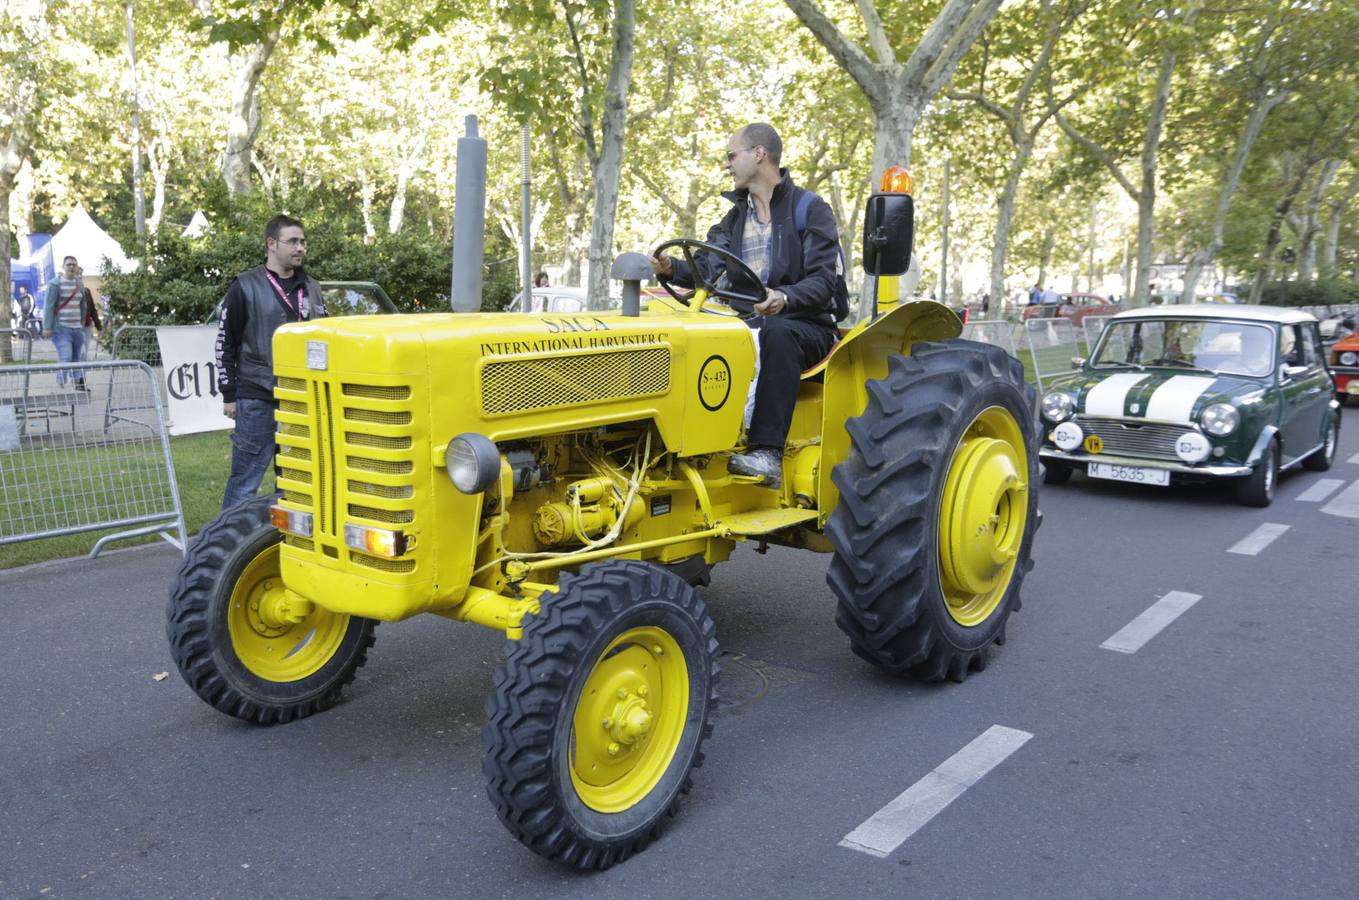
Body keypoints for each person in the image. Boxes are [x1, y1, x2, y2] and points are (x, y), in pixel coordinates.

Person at [650, 122, 839, 487]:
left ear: (758, 154)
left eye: (731, 155)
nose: (727, 164)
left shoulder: (809, 209)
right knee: (690, 334)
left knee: (778, 332)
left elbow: (822, 282)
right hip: (751, 324)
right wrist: (670, 267)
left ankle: (766, 452)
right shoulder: (735, 217)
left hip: (806, 326)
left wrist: (784, 298)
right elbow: (707, 266)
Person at [216, 214, 326, 511]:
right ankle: (229, 548)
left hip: (302, 399)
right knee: (244, 483)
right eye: (293, 241)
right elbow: (225, 342)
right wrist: (229, 394)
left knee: (295, 481)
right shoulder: (245, 286)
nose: (300, 248)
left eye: (303, 241)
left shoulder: (312, 287)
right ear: (271, 244)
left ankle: (286, 546)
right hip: (257, 397)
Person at [42, 255, 95, 390]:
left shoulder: (79, 284)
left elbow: (83, 304)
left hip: (77, 328)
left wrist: (83, 321)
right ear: (63, 267)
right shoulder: (55, 284)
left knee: (79, 356)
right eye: (69, 264)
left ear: (77, 268)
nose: (71, 267)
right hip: (61, 328)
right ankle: (61, 382)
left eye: (74, 264)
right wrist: (47, 326)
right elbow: (49, 305)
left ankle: (77, 383)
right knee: (66, 356)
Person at [75, 265, 103, 360]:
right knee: (80, 352)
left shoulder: (86, 291)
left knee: (84, 353)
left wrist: (99, 327)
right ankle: (75, 373)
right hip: (74, 327)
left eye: (80, 274)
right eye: (77, 274)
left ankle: (81, 374)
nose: (79, 276)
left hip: (86, 326)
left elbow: (92, 310)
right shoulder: (67, 291)